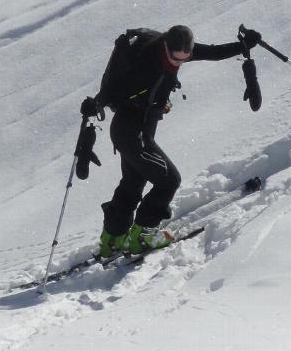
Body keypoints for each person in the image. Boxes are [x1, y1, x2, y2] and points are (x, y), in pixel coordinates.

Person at [80, 24, 261, 257]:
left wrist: (244, 45)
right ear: (166, 46)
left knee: (132, 184)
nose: (179, 62)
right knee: (169, 180)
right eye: (176, 57)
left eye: (184, 58)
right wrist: (96, 103)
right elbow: (113, 86)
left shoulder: (178, 50)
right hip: (129, 131)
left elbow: (213, 53)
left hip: (141, 129)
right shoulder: (146, 58)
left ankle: (113, 238)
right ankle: (143, 236)